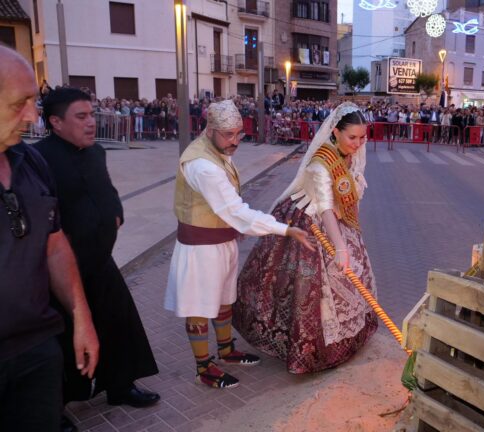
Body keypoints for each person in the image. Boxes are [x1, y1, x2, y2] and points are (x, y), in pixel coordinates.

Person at [164, 100, 314, 389]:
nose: (235, 141)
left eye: (239, 134)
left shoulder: (217, 151)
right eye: (228, 135)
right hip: (200, 249)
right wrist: (285, 229)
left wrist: (237, 227)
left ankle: (226, 349)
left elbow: (231, 211)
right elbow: (234, 210)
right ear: (210, 130)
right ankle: (203, 367)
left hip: (221, 241)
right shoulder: (202, 165)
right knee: (199, 305)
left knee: (223, 299)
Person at [34, 88, 160, 414]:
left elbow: (108, 189)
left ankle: (120, 386)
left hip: (100, 261)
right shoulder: (39, 160)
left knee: (117, 323)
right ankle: (58, 409)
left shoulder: (96, 152)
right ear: (55, 122)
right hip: (62, 271)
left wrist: (116, 209)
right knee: (65, 338)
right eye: (82, 117)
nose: (91, 123)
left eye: (92, 115)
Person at [233, 102, 378, 374]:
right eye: (352, 137)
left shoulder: (351, 156)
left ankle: (347, 338)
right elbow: (324, 207)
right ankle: (310, 350)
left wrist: (350, 236)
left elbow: (347, 199)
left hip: (338, 224)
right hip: (309, 224)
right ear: (335, 132)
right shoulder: (321, 164)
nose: (358, 144)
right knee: (309, 289)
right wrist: (340, 246)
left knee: (350, 281)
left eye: (362, 137)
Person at [0, 45, 99, 431]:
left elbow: (54, 244)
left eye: (33, 102)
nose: (31, 116)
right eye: (18, 104)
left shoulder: (30, 161)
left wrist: (81, 317)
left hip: (37, 350)